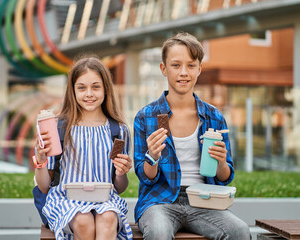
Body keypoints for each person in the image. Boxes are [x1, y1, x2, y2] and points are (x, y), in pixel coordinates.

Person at [133, 32, 251, 240]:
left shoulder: (214, 117)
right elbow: (145, 177)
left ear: (199, 69)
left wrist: (222, 162)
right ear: (164, 69)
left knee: (239, 231)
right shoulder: (146, 117)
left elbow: (225, 177)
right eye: (176, 65)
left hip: (204, 201)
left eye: (190, 65)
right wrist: (152, 155)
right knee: (158, 232)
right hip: (160, 202)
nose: (183, 72)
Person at [34, 56, 133, 240]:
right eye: (81, 87)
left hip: (106, 199)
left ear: (105, 89)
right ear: (72, 91)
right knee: (83, 221)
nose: (89, 93)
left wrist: (121, 172)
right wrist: (40, 160)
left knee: (109, 218)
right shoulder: (57, 128)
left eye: (96, 87)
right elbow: (44, 186)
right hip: (65, 200)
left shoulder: (118, 130)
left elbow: (120, 188)